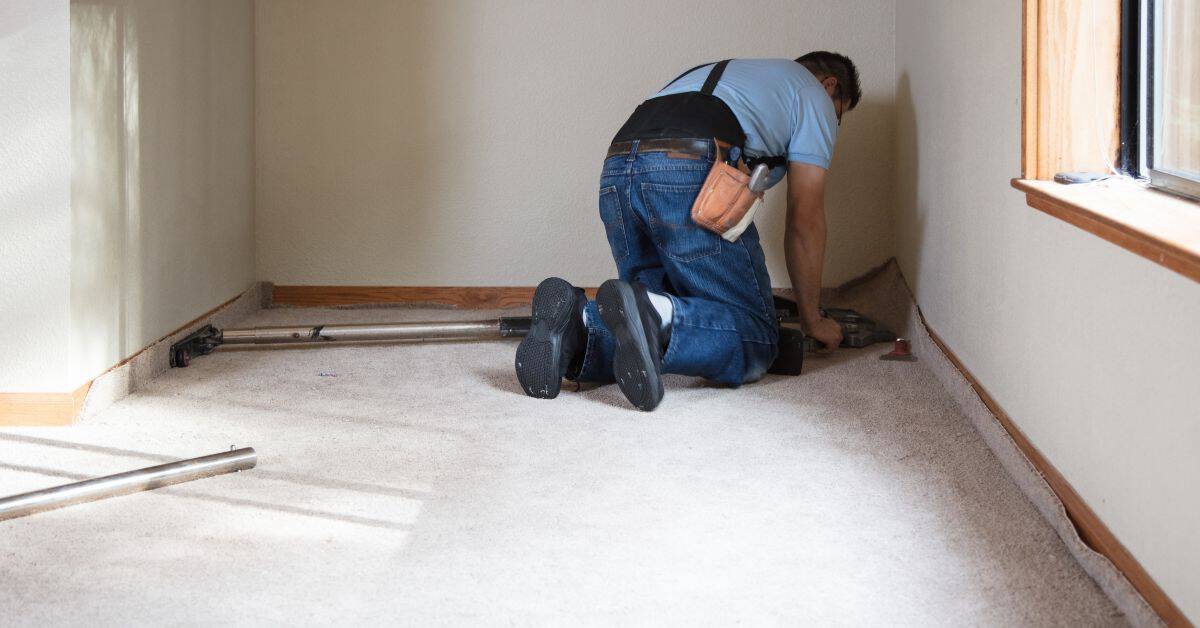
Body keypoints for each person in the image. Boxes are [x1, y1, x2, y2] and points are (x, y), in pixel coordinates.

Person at [515, 53, 861, 411]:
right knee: (756, 335)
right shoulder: (814, 95)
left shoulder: (733, 76)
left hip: (619, 167)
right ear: (829, 86)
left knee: (652, 319)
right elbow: (805, 217)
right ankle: (655, 313)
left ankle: (579, 324)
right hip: (685, 169)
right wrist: (813, 319)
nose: (832, 126)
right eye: (839, 116)